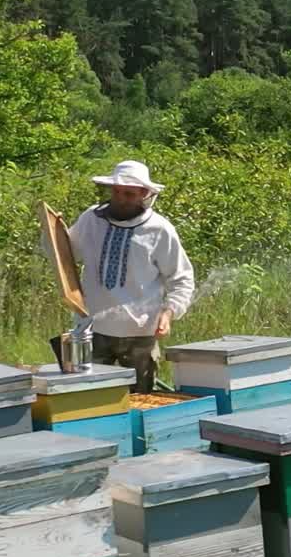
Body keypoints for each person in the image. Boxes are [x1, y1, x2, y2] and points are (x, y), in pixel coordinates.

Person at [59, 160, 195, 392]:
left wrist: (169, 312)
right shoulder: (91, 219)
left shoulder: (160, 229)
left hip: (139, 334)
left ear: (144, 194)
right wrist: (53, 230)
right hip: (92, 330)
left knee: (140, 401)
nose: (120, 199)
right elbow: (64, 253)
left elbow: (181, 278)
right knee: (88, 400)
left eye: (129, 194)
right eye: (117, 192)